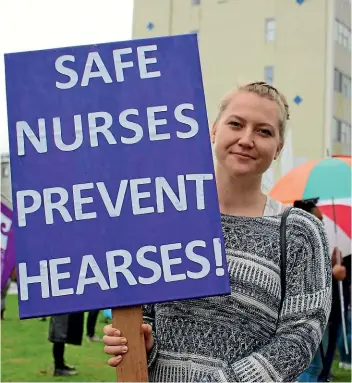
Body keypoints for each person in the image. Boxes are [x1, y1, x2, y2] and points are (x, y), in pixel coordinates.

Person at [102, 82, 332, 382]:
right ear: (213, 130)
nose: (246, 139)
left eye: (264, 131)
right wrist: (140, 342)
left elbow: (301, 335)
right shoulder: (164, 219)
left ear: (278, 148)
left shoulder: (301, 231)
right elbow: (144, 314)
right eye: (236, 124)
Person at [293, 199, 345, 382]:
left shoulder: (309, 238)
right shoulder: (299, 238)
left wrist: (331, 263)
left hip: (325, 310)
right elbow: (302, 277)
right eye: (319, 218)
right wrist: (332, 272)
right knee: (311, 366)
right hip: (309, 313)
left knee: (318, 365)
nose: (322, 223)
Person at [48, 312, 84, 376]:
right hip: (59, 310)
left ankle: (61, 365)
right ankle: (58, 368)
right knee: (58, 338)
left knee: (61, 337)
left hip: (62, 310)